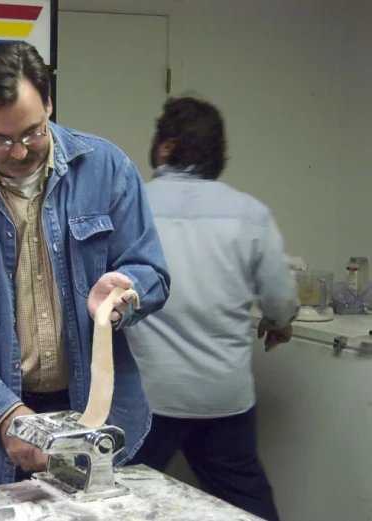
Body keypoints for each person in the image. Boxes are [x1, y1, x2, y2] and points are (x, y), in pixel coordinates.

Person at [0, 41, 170, 493]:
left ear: (48, 104)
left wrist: (126, 291)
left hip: (92, 416)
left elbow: (152, 271)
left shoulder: (106, 170)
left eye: (32, 132)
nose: (20, 151)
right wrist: (6, 415)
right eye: (0, 140)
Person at [125, 96, 299, 521]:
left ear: (165, 148)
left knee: (119, 502)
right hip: (223, 395)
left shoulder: (131, 207)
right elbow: (280, 299)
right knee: (247, 501)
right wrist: (278, 324)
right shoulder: (251, 214)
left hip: (149, 394)